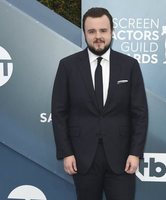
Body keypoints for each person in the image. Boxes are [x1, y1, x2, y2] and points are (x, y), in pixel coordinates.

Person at [52, 7, 148, 200]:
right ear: (85, 34)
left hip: (122, 158)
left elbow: (140, 113)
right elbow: (59, 112)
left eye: (103, 30)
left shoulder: (129, 66)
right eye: (92, 31)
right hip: (82, 158)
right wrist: (66, 152)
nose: (98, 36)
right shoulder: (67, 66)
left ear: (112, 31)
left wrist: (135, 153)